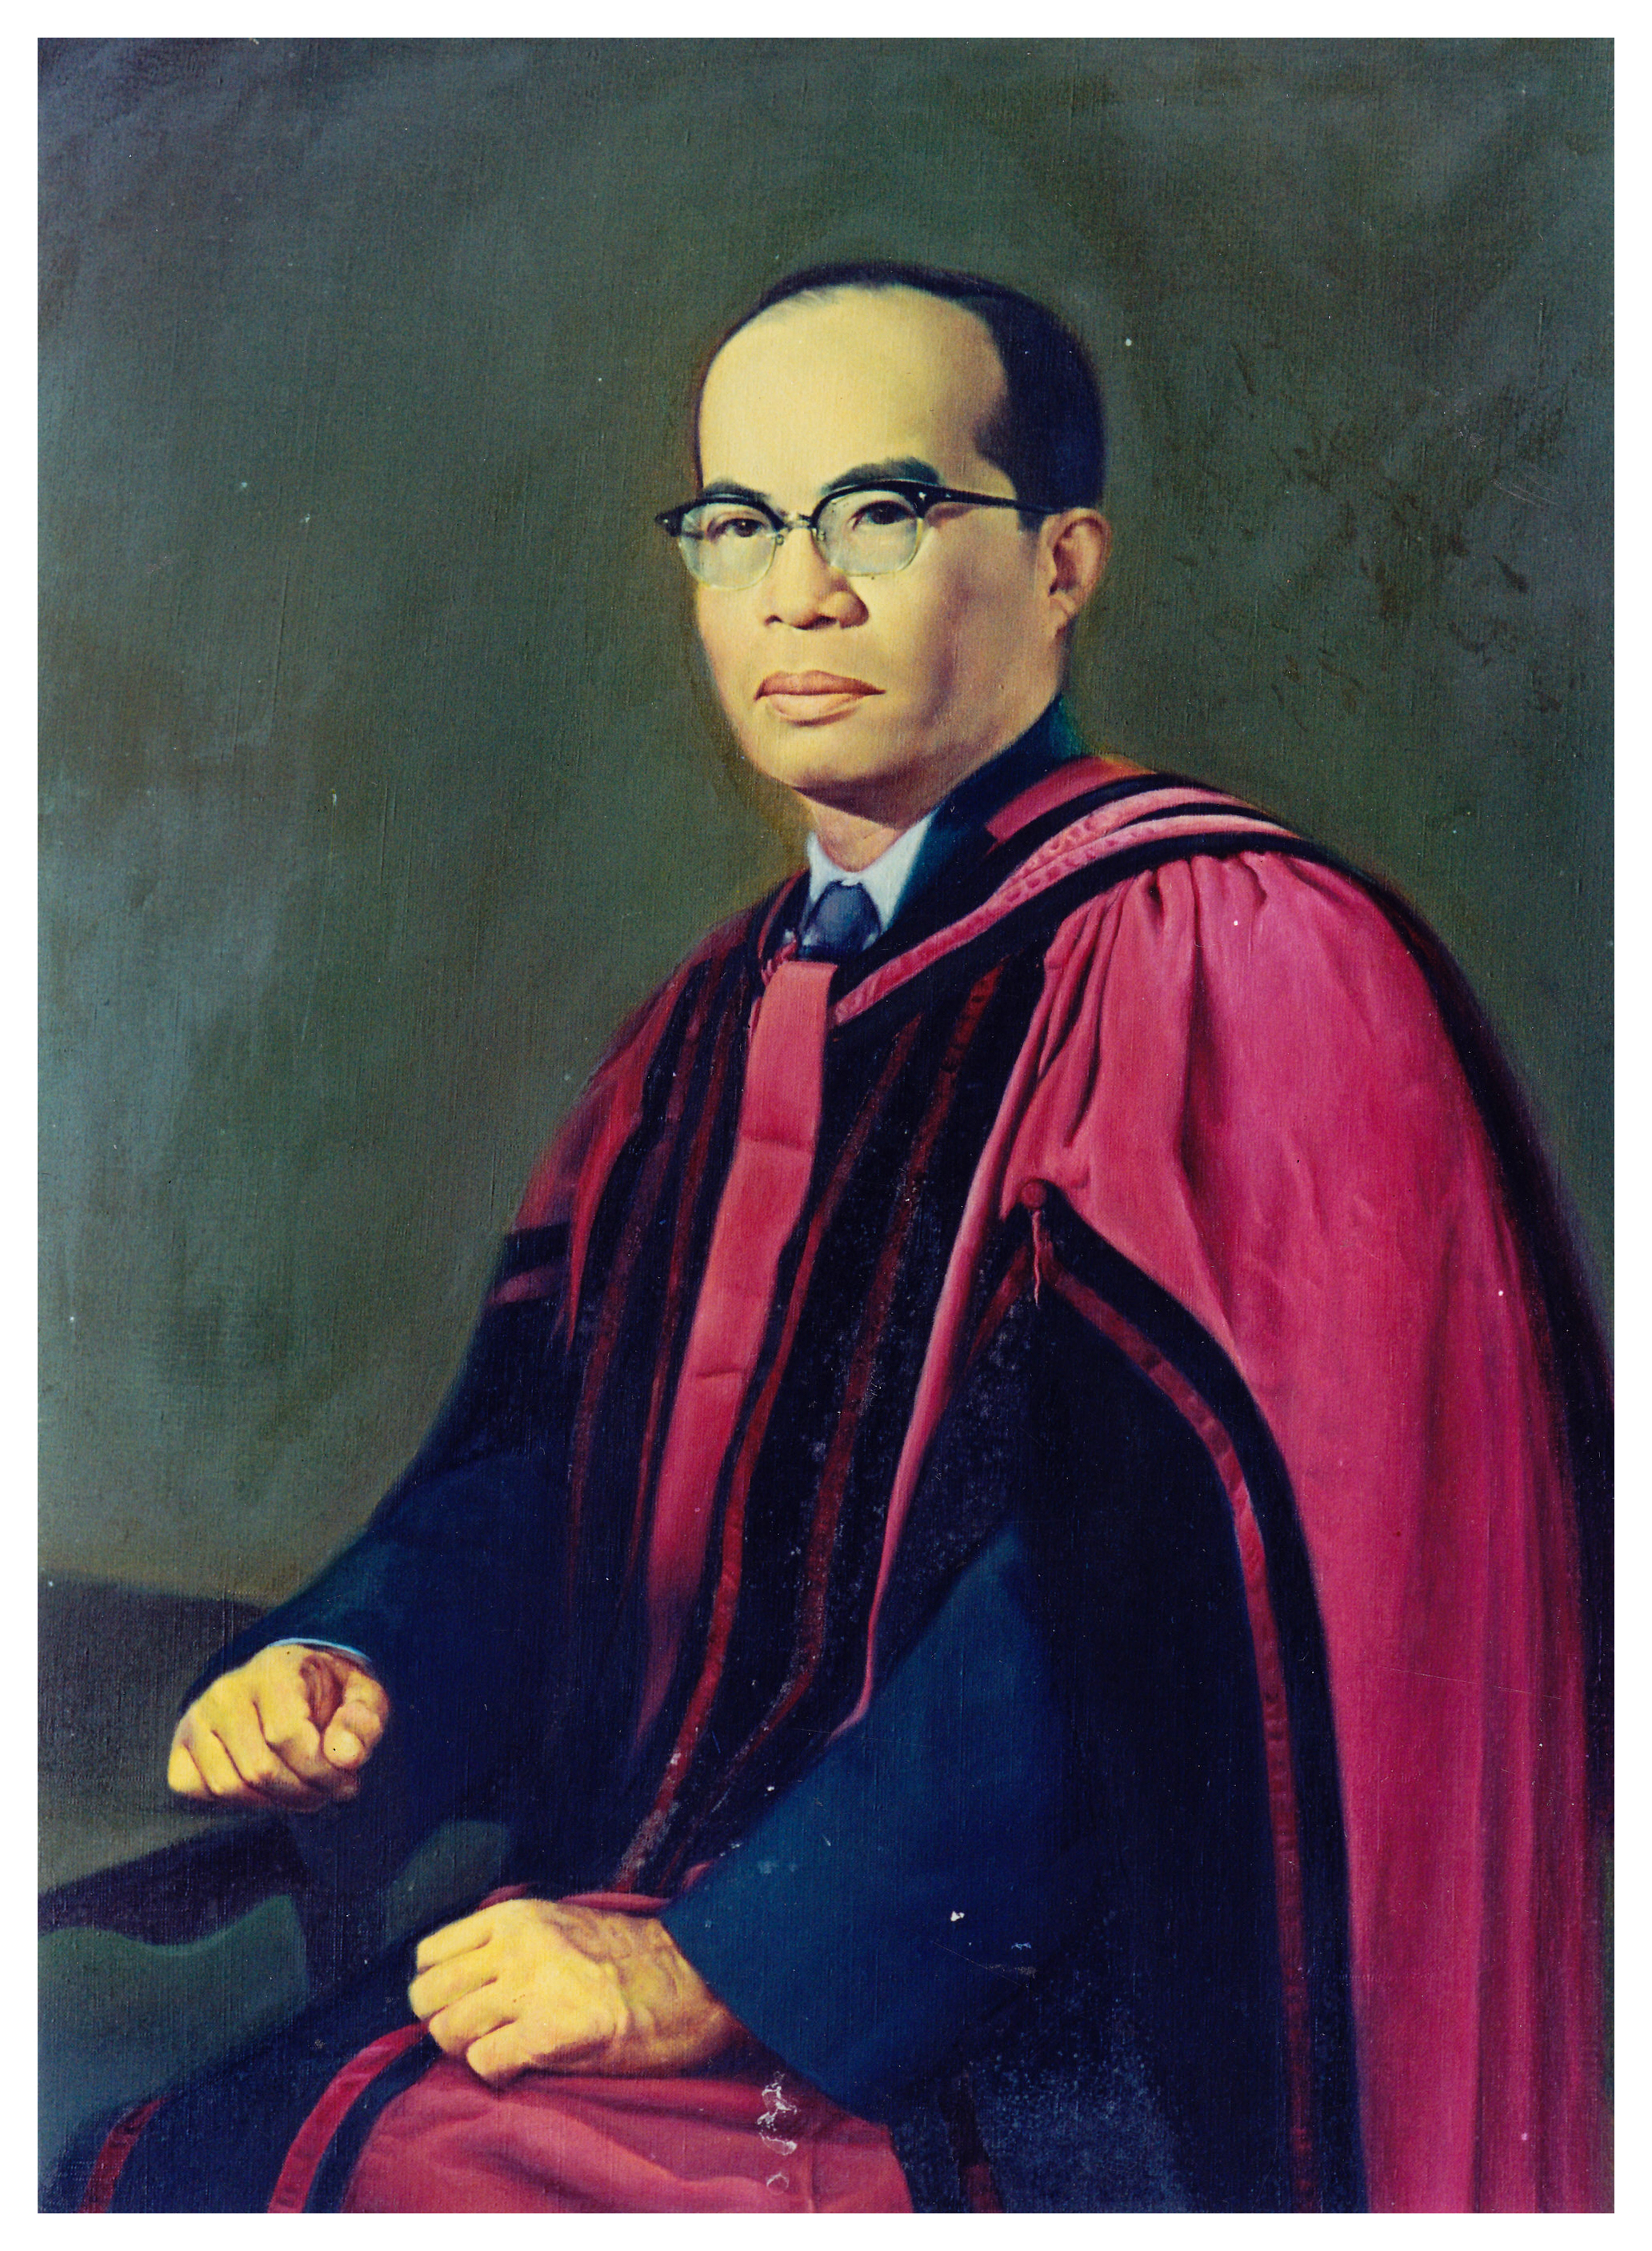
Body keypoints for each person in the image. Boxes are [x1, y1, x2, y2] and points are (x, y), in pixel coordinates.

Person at [60, 262, 1610, 2213]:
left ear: (1063, 564)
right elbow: (551, 1471)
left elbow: (1148, 1608)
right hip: (683, 1927)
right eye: (737, 524)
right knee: (156, 2135)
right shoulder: (718, 1016)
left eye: (880, 510)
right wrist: (351, 1665)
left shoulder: (1228, 959)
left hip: (1033, 2037)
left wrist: (723, 1967)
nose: (798, 592)